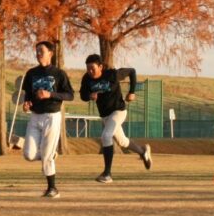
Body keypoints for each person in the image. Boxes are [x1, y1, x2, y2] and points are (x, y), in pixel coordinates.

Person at [79, 54, 151, 183]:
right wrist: (90, 95)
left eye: (93, 68)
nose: (90, 71)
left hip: (118, 111)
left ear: (101, 66)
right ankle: (143, 151)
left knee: (106, 136)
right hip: (105, 115)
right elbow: (83, 96)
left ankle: (107, 174)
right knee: (122, 142)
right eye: (88, 69)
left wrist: (132, 92)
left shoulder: (112, 74)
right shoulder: (87, 79)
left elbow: (132, 71)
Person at [22, 41, 74, 198]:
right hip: (35, 116)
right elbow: (28, 95)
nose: (38, 53)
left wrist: (50, 94)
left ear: (50, 53)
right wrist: (26, 103)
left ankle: (52, 189)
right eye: (36, 51)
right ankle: (49, 154)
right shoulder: (31, 73)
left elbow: (70, 95)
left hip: (52, 116)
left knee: (45, 156)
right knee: (29, 155)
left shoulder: (59, 74)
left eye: (41, 51)